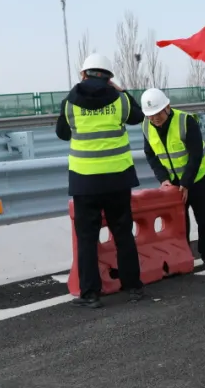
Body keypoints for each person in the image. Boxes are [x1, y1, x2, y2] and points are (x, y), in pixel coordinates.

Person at [55, 53, 147, 308]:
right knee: (122, 233)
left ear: (83, 74)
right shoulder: (118, 99)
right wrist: (123, 91)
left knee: (86, 238)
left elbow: (62, 134)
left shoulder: (70, 101)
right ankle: (134, 288)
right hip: (117, 178)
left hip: (85, 181)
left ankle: (90, 294)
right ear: (109, 78)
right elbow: (139, 116)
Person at [140, 87, 205, 270]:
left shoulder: (185, 121)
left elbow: (196, 154)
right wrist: (163, 179)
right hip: (174, 182)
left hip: (199, 178)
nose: (155, 118)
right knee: (179, 222)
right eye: (151, 115)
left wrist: (186, 183)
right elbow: (150, 155)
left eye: (158, 113)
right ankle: (183, 256)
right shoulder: (146, 126)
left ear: (167, 107)